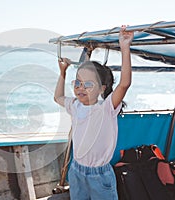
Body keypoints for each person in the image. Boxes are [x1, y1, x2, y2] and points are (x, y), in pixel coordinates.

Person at [54, 26, 134, 199]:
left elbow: (124, 84)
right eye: (78, 83)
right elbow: (58, 97)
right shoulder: (75, 105)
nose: (81, 88)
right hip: (76, 170)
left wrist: (125, 48)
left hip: (100, 176)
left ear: (101, 89)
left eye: (88, 84)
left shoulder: (105, 108)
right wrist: (63, 73)